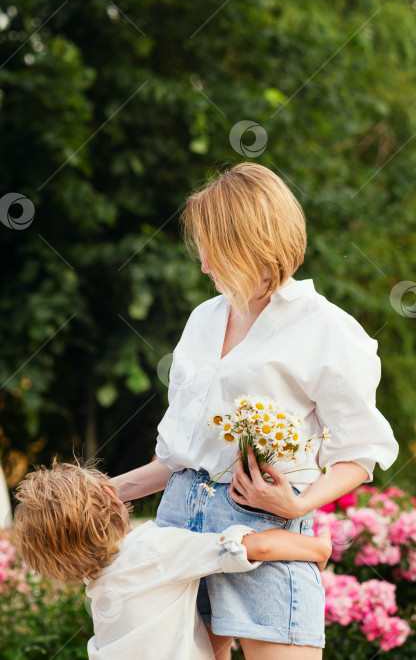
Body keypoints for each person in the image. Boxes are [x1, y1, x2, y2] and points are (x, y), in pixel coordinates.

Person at [110, 162, 400, 660]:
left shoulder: (326, 328)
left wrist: (298, 505)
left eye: (211, 248)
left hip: (268, 528)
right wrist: (106, 492)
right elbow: (180, 458)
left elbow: (361, 451)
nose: (203, 264)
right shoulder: (203, 320)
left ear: (249, 242)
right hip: (180, 525)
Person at [14, 458, 333, 660]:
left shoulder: (96, 579)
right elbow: (253, 547)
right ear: (114, 496)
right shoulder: (156, 550)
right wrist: (318, 548)